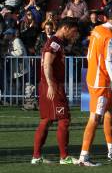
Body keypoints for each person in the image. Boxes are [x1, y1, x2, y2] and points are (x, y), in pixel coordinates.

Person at [78, 7, 112, 167]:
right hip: (101, 81)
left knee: (109, 113)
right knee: (95, 117)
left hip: (93, 76)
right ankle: (83, 157)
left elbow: (89, 54)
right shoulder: (111, 36)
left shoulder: (97, 29)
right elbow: (109, 62)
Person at [31, 18, 80, 165]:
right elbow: (47, 64)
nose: (74, 35)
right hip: (52, 86)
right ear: (65, 28)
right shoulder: (55, 42)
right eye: (73, 31)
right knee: (64, 119)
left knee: (46, 120)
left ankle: (36, 156)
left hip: (49, 85)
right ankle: (64, 157)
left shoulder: (57, 42)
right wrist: (52, 85)